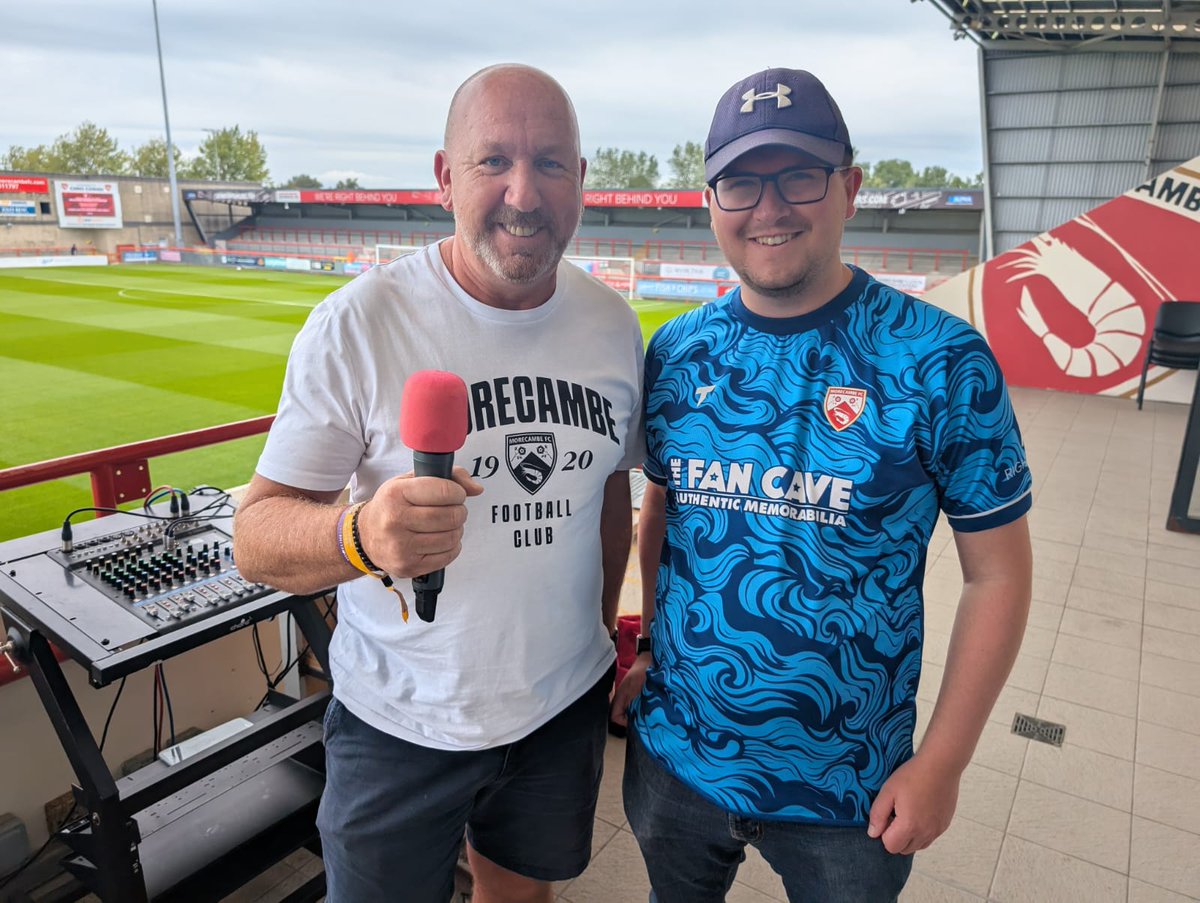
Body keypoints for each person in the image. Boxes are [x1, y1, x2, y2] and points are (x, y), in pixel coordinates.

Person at [611, 67, 1033, 903]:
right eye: (740, 181)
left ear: (848, 186)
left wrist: (942, 762)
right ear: (710, 201)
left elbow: (1000, 572)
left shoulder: (943, 361)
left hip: (855, 793)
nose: (768, 208)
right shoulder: (676, 353)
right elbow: (661, 504)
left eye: (797, 175)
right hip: (676, 763)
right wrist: (654, 645)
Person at [234, 64, 645, 903]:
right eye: (493, 160)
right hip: (398, 720)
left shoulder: (613, 325)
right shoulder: (359, 322)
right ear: (444, 177)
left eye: (552, 163)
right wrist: (360, 538)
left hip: (560, 703)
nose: (524, 193)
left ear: (581, 179)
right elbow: (255, 535)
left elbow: (608, 491)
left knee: (523, 897)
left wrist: (599, 636)